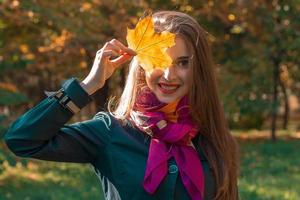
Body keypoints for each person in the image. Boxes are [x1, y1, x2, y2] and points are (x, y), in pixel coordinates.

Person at [4, 11, 239, 200]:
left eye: (183, 62)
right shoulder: (110, 131)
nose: (169, 74)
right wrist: (86, 86)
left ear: (199, 69)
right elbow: (22, 139)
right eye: (161, 61)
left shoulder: (216, 139)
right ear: (141, 65)